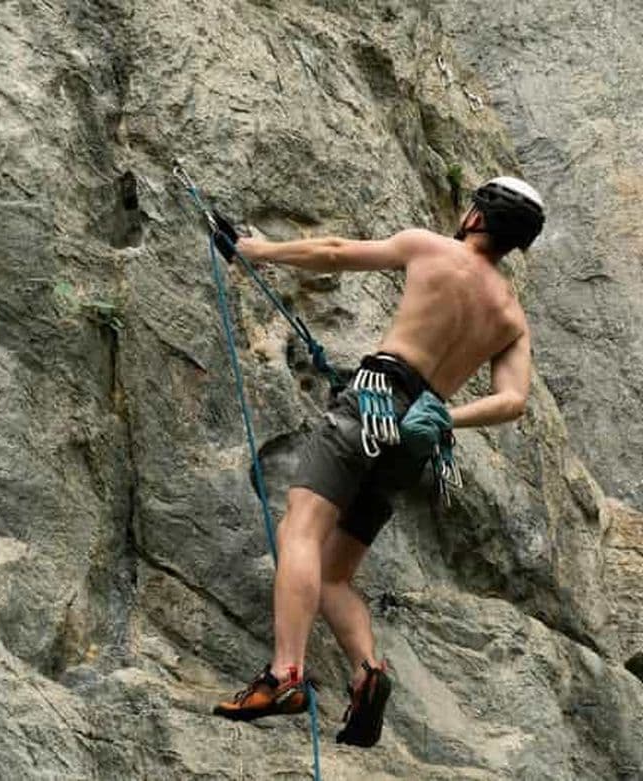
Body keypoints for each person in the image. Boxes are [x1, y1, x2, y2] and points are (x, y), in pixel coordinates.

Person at [210, 177, 545, 747]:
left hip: (373, 404)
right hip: (414, 442)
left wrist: (254, 250)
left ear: (478, 218)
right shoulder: (511, 316)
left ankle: (284, 674)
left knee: (301, 531)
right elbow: (513, 400)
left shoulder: (432, 249)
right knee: (337, 573)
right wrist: (443, 417)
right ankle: (367, 673)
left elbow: (336, 254)